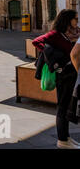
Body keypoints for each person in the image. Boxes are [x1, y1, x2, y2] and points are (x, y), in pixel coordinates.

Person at [32, 9, 80, 149]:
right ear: (67, 19)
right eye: (75, 18)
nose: (77, 21)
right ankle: (62, 140)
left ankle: (66, 138)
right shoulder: (55, 34)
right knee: (62, 107)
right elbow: (37, 42)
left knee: (66, 106)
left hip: (71, 73)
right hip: (62, 74)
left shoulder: (72, 33)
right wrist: (49, 54)